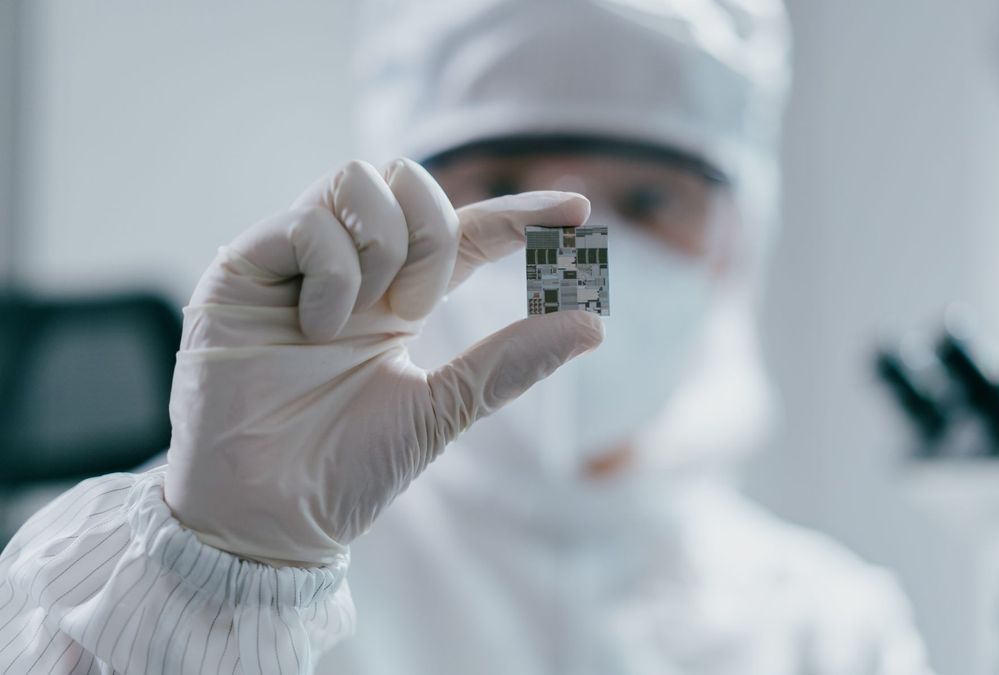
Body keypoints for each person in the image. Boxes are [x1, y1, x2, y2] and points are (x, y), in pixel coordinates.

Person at [0, 0, 934, 673]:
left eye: (649, 201)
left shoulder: (833, 631)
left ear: (740, 242)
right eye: (507, 180)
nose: (574, 252)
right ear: (399, 207)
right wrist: (217, 571)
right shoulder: (244, 549)